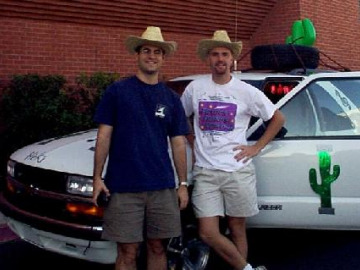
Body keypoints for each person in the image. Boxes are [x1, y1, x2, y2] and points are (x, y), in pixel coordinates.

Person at [180, 30, 285, 270]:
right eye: (215, 54)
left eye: (224, 54)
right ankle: (247, 269)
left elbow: (278, 118)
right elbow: (180, 117)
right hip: (206, 171)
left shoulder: (246, 91)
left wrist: (256, 148)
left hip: (238, 170)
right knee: (207, 232)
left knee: (238, 227)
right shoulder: (195, 88)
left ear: (232, 59)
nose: (220, 59)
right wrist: (191, 138)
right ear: (209, 58)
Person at [92, 26, 189, 270]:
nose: (152, 55)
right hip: (124, 186)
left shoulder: (171, 99)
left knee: (158, 247)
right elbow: (103, 135)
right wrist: (97, 178)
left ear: (163, 58)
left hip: (162, 187)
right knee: (127, 251)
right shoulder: (118, 92)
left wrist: (183, 184)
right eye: (146, 50)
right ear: (137, 54)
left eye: (157, 51)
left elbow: (178, 143)